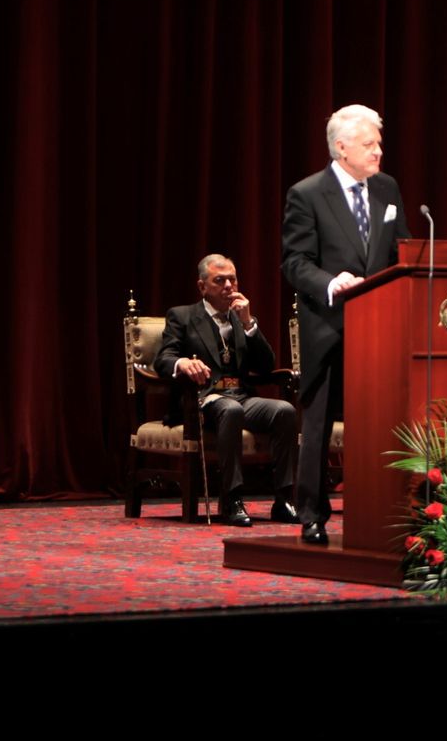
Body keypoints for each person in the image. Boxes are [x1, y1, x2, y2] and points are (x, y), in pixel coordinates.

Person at [282, 104, 411, 543]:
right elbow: (295, 263)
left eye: (379, 143)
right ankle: (313, 515)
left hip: (383, 329)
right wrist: (332, 282)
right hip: (330, 326)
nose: (378, 151)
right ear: (341, 148)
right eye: (369, 144)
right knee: (318, 425)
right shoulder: (307, 194)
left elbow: (402, 254)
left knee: (383, 419)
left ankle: (383, 509)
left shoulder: (388, 189)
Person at [154, 254, 299, 527]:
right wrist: (183, 363)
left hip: (242, 396)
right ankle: (232, 498)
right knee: (229, 409)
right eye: (219, 280)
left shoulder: (239, 317)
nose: (228, 286)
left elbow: (267, 365)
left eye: (232, 279)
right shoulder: (183, 316)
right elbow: (163, 358)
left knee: (285, 411)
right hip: (203, 399)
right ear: (202, 287)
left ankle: (284, 499)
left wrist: (248, 324)